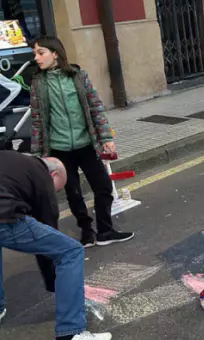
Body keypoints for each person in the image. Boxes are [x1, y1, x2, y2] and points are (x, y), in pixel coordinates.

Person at [29, 36, 134, 248]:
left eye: (41, 53)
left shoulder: (78, 76)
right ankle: (87, 233)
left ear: (55, 53)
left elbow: (95, 107)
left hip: (86, 143)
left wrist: (105, 137)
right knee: (73, 193)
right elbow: (37, 120)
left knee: (103, 187)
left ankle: (105, 230)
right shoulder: (38, 83)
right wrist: (38, 154)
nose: (37, 58)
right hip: (59, 148)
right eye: (35, 54)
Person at [0, 151, 112, 340]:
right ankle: (71, 332)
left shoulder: (16, 161)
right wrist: (54, 282)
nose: (54, 193)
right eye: (57, 190)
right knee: (70, 251)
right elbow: (47, 232)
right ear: (54, 175)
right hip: (4, 216)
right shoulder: (42, 176)